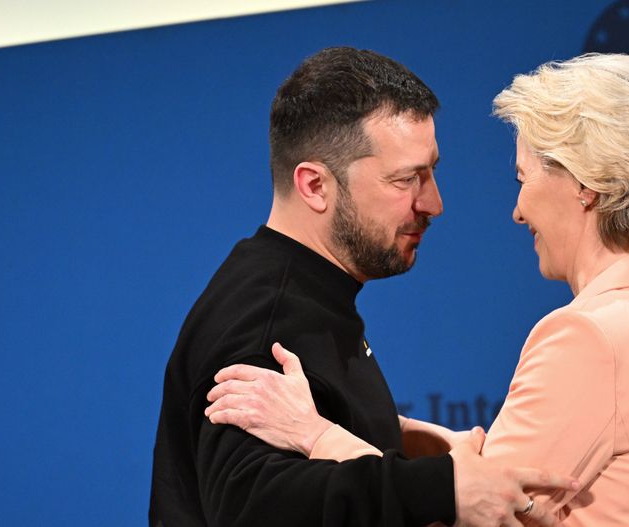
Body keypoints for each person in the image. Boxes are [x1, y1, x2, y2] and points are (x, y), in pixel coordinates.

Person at [206, 52, 629, 526]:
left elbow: (480, 509)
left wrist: (315, 434)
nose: (518, 210)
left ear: (585, 186)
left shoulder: (591, 337)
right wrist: (377, 424)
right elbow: (503, 468)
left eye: (523, 179)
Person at [150, 47, 576, 527]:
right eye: (407, 179)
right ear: (315, 186)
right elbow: (255, 505)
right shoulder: (265, 323)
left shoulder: (309, 294)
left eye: (432, 170)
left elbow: (330, 432)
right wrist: (444, 489)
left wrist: (425, 446)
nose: (434, 203)